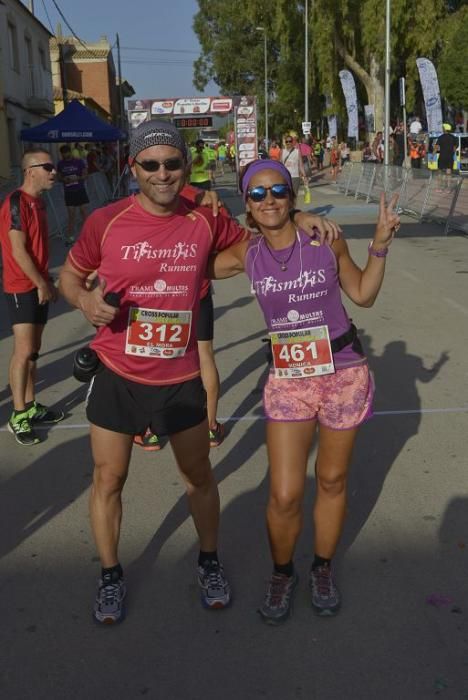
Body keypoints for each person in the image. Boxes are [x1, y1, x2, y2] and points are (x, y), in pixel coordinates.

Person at [58, 120, 341, 626]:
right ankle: (110, 576)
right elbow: (70, 274)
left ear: (186, 167)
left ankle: (209, 563)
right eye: (151, 164)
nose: (162, 173)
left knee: (198, 478)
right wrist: (83, 300)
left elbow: (260, 233)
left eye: (172, 163)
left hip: (181, 376)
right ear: (134, 168)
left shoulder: (205, 219)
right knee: (108, 478)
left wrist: (299, 216)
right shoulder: (106, 221)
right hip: (118, 370)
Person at [208, 159, 400, 625]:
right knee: (285, 493)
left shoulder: (324, 239)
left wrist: (379, 245)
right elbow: (194, 262)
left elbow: (363, 294)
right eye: (257, 194)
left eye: (279, 191)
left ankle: (321, 569)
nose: (269, 199)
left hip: (344, 372)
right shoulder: (246, 253)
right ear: (247, 205)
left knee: (332, 480)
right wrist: (201, 207)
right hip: (289, 379)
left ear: (292, 196)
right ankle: (281, 573)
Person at [0, 149, 65, 445]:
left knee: (34, 350)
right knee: (24, 350)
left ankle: (31, 404)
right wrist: (40, 283)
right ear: (30, 171)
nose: (54, 171)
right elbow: (18, 251)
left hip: (37, 282)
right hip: (20, 286)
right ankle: (17, 414)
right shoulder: (16, 202)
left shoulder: (38, 202)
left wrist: (47, 279)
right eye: (47, 167)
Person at [56, 144, 89, 244]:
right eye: (63, 153)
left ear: (70, 152)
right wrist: (64, 179)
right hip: (69, 191)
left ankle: (89, 234)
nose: (66, 155)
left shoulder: (78, 162)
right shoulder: (60, 164)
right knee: (71, 214)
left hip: (80, 189)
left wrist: (78, 178)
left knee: (83, 212)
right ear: (61, 154)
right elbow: (59, 177)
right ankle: (70, 236)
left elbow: (85, 174)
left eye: (67, 152)